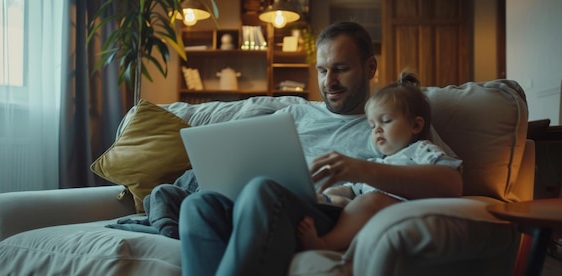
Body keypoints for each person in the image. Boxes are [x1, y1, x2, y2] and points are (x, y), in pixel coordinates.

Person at [178, 21, 463, 276]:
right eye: (322, 70)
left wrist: (362, 169)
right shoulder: (292, 114)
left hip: (326, 214)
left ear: (370, 68)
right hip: (256, 208)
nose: (329, 82)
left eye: (340, 69)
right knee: (198, 205)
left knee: (261, 189)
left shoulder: (392, 121)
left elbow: (452, 184)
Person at [296, 70, 463, 251]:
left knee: (370, 201)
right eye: (372, 125)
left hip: (406, 210)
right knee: (339, 198)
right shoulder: (379, 162)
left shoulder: (422, 149)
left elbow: (450, 173)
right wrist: (329, 192)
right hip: (367, 213)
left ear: (416, 125)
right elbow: (354, 188)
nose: (377, 130)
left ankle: (324, 243)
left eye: (386, 121)